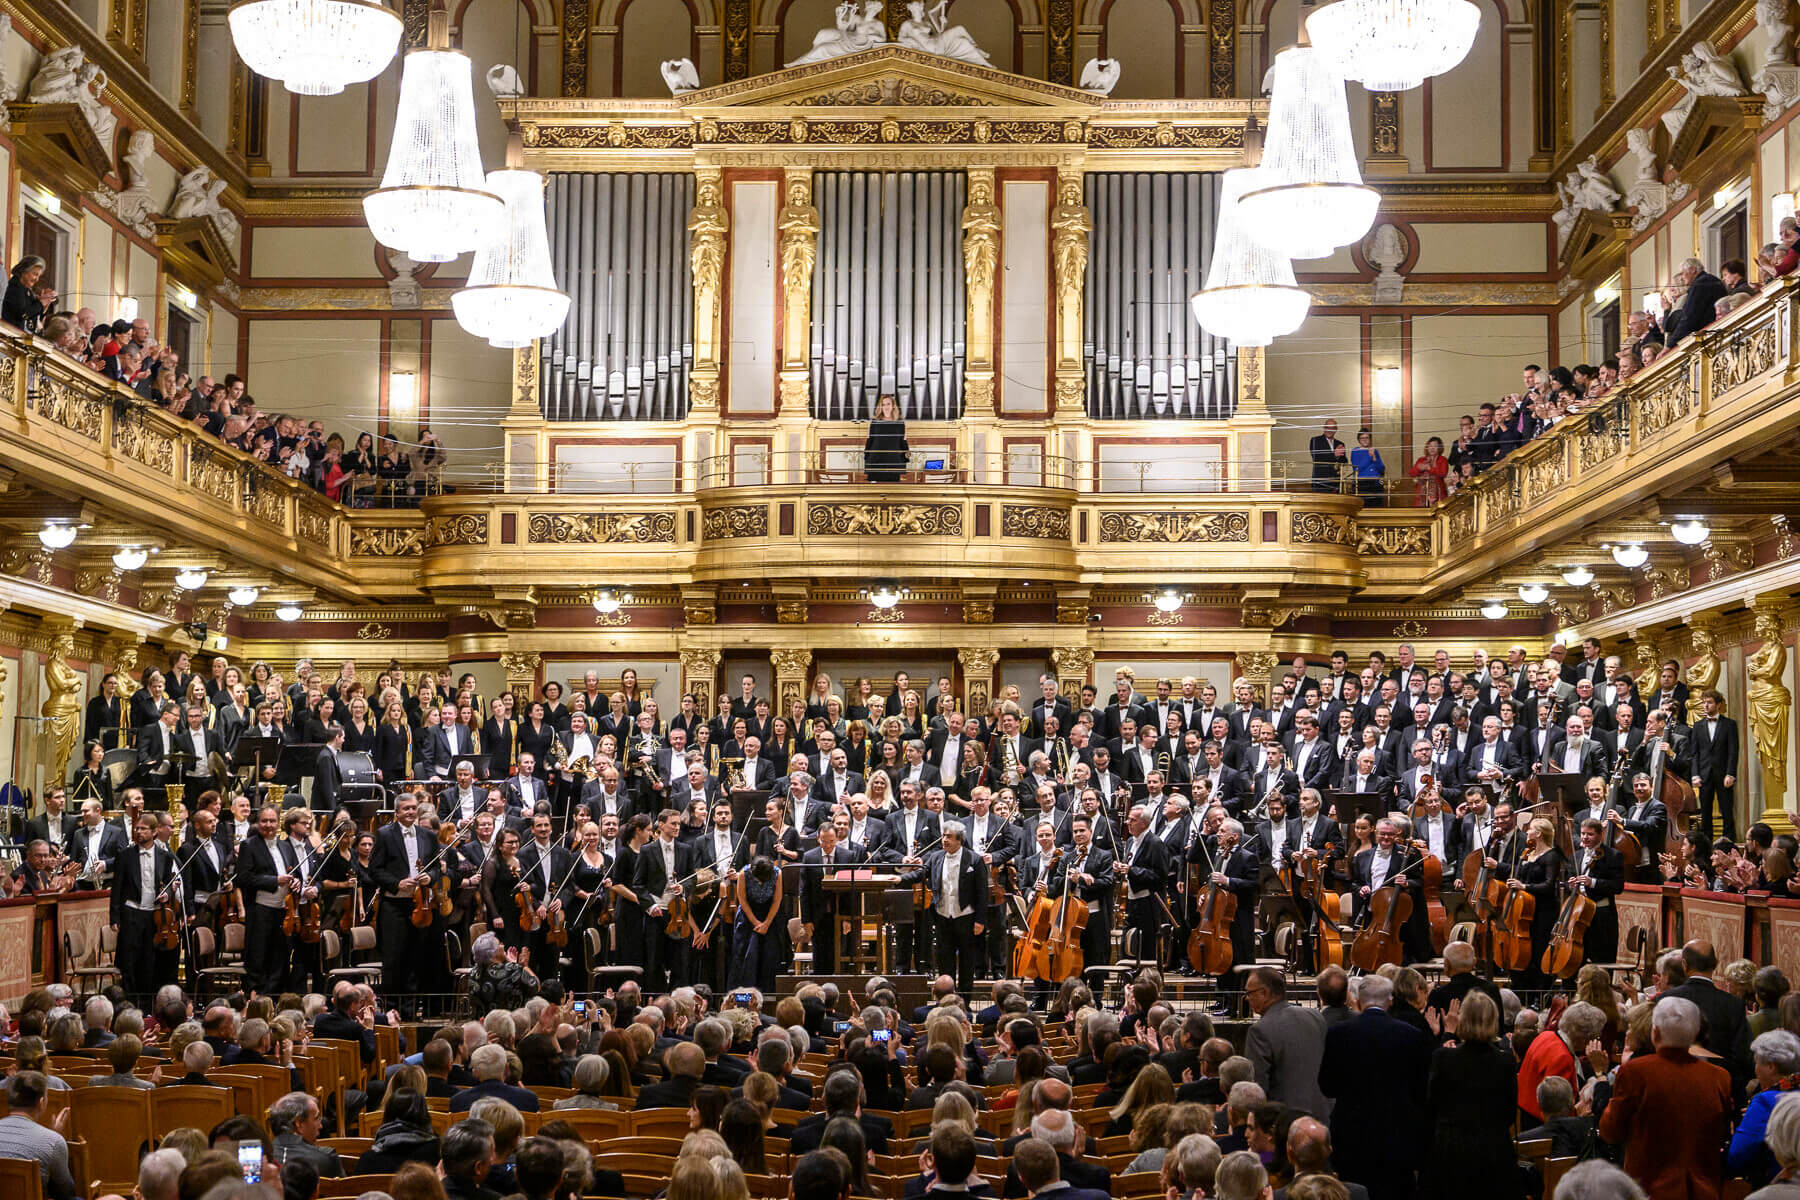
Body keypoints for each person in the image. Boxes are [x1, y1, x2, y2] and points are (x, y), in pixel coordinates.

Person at [1597, 997, 1732, 1200]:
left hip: (1650, 1189)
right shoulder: (1719, 1077)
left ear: (1655, 1032)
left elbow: (1611, 1131)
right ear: (1695, 1033)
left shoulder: (1636, 1071)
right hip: (1705, 1190)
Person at [1318, 975, 1428, 1200]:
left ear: (1358, 1000)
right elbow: (1420, 1090)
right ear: (1389, 1001)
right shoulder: (1411, 1035)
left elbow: (1327, 1086)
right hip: (1396, 1133)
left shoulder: (1338, 1034)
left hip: (1351, 1132)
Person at [1419, 993, 1517, 1200]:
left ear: (1462, 1019)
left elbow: (1432, 1104)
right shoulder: (1505, 1061)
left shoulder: (1443, 1057)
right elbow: (1509, 1113)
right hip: (1494, 1148)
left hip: (1452, 1148)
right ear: (1493, 1020)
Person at [1244, 966, 1330, 1121]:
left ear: (1265, 993)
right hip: (1324, 1114)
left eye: (1249, 993)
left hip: (1285, 1122)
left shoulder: (1259, 1030)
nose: (1247, 998)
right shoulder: (1316, 1016)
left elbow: (1257, 1088)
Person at [864, 393, 908, 484]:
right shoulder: (875, 422)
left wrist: (905, 457)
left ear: (893, 406)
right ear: (881, 407)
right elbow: (870, 441)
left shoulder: (900, 423)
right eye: (883, 404)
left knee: (892, 492)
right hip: (876, 461)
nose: (886, 407)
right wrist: (866, 457)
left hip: (893, 461)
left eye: (888, 404)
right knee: (874, 492)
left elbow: (902, 442)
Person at [1349, 428, 1386, 505]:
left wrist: (1375, 458)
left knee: (1377, 509)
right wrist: (1370, 456)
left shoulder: (1374, 450)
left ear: (1370, 439)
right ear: (1358, 440)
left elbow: (1382, 469)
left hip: (1376, 484)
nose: (1365, 440)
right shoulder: (1355, 451)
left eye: (1367, 438)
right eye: (1362, 438)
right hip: (1362, 484)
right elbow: (1358, 468)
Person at [1409, 437, 1448, 506]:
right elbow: (1412, 473)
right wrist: (1419, 469)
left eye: (1435, 446)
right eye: (1430, 446)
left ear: (1439, 448)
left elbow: (1443, 473)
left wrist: (1429, 468)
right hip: (1422, 493)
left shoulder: (1442, 459)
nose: (1432, 448)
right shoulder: (1421, 459)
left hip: (1438, 493)